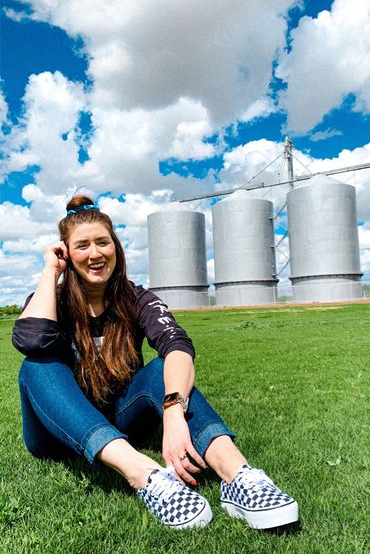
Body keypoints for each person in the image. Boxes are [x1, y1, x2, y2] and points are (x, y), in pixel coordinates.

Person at [12, 194, 299, 531]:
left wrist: (174, 411)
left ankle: (237, 475)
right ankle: (144, 475)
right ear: (67, 252)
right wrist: (51, 271)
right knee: (36, 365)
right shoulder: (50, 299)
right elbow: (31, 340)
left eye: (103, 242)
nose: (94, 254)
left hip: (119, 417)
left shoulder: (137, 298)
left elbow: (177, 346)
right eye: (82, 246)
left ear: (116, 247)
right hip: (55, 432)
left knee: (163, 370)